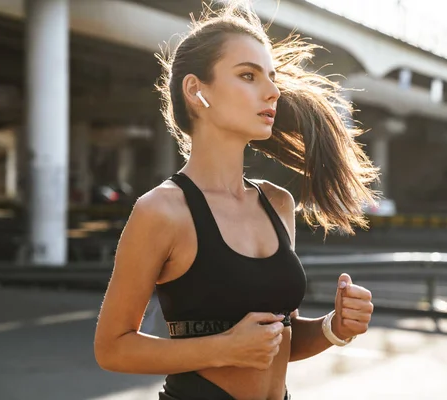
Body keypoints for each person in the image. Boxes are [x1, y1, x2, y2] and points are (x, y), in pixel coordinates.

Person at [94, 1, 378, 399]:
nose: (273, 90)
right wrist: (223, 347)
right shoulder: (162, 210)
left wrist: (335, 327)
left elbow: (279, 342)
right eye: (248, 75)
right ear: (196, 91)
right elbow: (112, 348)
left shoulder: (277, 204)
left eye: (272, 77)